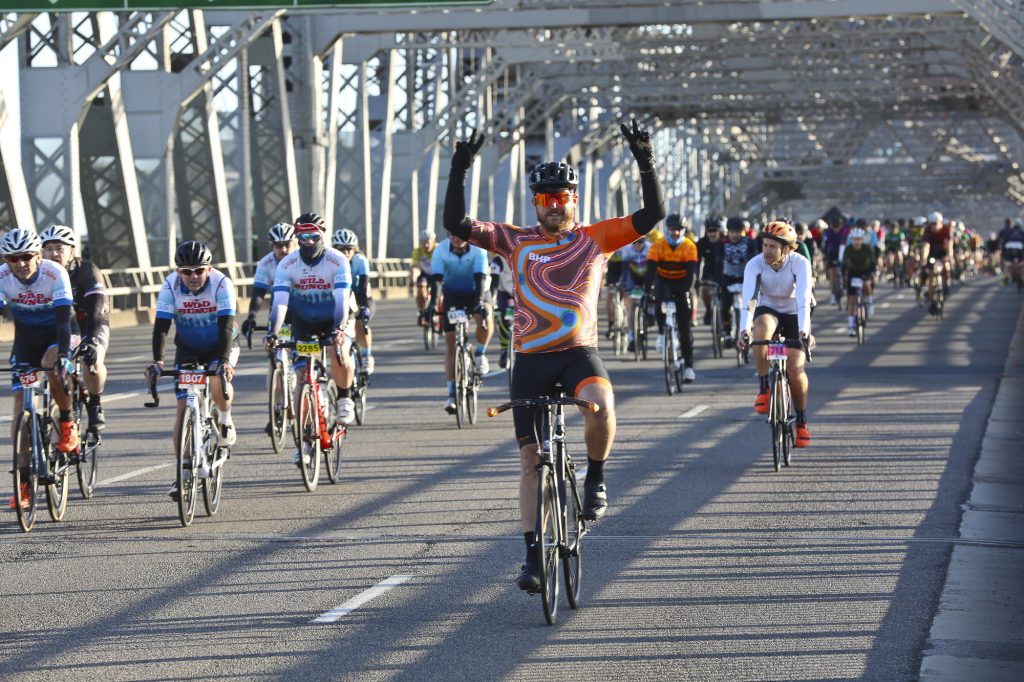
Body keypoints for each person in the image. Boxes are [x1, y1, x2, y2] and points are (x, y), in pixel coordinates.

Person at [442, 120, 666, 592]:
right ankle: (532, 560)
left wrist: (644, 162)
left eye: (561, 197)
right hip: (530, 361)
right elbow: (456, 224)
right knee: (530, 461)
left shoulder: (597, 238)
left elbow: (653, 213)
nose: (554, 205)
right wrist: (459, 170)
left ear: (574, 199)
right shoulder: (514, 240)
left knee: (601, 405)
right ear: (535, 204)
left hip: (578, 353)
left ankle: (596, 477)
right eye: (546, 199)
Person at [149, 241, 238, 499]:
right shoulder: (170, 286)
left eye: (199, 270)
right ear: (178, 272)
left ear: (208, 269)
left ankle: (224, 418)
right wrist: (158, 361)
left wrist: (222, 361)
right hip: (187, 348)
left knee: (217, 380)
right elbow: (162, 327)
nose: (193, 277)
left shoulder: (222, 284)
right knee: (182, 408)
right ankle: (184, 470)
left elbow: (226, 327)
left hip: (221, 344)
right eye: (186, 272)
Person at [265, 213, 354, 465]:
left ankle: (345, 395)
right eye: (302, 236)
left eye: (313, 236)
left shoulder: (337, 261)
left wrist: (338, 329)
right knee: (302, 379)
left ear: (321, 236)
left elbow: (341, 300)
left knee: (341, 349)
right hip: (303, 323)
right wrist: (273, 332)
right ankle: (304, 441)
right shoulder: (287, 265)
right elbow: (280, 303)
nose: (307, 241)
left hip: (331, 318)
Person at [1, 229, 77, 509]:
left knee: (50, 366)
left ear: (36, 255)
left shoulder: (54, 273)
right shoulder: (2, 276)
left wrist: (65, 355)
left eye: (26, 256)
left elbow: (63, 320)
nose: (20, 263)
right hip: (25, 340)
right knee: (21, 408)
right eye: (13, 258)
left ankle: (67, 421)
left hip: (57, 333)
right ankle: (23, 485)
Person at [736, 221, 816, 447]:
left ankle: (801, 422)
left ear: (787, 249)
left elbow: (802, 300)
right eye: (765, 245)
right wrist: (744, 330)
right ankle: (764, 388)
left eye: (773, 247)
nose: (767, 251)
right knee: (761, 329)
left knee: (794, 368)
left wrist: (804, 332)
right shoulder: (755, 264)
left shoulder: (800, 264)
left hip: (795, 311)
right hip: (768, 307)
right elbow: (749, 301)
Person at [39, 225, 109, 433]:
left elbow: (96, 308)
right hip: (63, 325)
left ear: (72, 251)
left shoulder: (87, 271)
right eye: (49, 248)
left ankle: (95, 402)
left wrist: (93, 341)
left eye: (59, 248)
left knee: (92, 361)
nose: (53, 253)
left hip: (90, 321)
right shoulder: (41, 272)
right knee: (54, 364)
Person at [425, 232, 493, 413]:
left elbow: (480, 278)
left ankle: (480, 354)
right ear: (447, 235)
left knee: (485, 314)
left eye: (460, 233)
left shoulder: (477, 249)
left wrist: (478, 304)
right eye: (453, 234)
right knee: (450, 345)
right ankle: (451, 395)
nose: (457, 237)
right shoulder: (440, 250)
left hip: (476, 291)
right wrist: (432, 305)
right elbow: (437, 280)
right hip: (453, 295)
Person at [645, 214, 698, 382]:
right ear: (667, 230)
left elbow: (692, 274)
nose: (675, 233)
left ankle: (689, 366)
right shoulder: (658, 245)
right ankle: (662, 331)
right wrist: (648, 291)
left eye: (679, 230)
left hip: (682, 281)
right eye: (673, 230)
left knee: (684, 328)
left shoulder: (689, 246)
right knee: (659, 299)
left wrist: (686, 291)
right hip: (664, 281)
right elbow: (651, 271)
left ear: (683, 231)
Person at [242, 223, 296, 340]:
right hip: (279, 310)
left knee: (304, 350)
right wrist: (251, 316)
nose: (284, 250)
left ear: (295, 243)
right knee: (278, 344)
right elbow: (258, 292)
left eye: (287, 244)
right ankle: (279, 356)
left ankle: (308, 357)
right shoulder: (266, 263)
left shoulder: (302, 260)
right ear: (272, 246)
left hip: (302, 309)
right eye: (279, 246)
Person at [333, 228, 375, 375]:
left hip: (360, 297)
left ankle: (367, 355)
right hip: (342, 297)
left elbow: (363, 286)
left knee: (360, 322)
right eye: (341, 249)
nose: (345, 253)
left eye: (349, 249)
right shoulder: (331, 261)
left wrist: (363, 307)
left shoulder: (360, 260)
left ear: (354, 249)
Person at [720, 217, 758, 346]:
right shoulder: (722, 243)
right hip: (728, 277)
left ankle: (749, 326)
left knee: (750, 303)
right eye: (732, 232)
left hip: (745, 277)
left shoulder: (748, 243)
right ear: (728, 232)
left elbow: (754, 260)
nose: (735, 235)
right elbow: (717, 262)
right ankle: (727, 329)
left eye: (738, 232)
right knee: (725, 305)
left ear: (742, 232)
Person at [617, 236, 651, 351]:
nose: (637, 244)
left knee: (651, 295)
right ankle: (632, 336)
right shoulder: (626, 250)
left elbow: (653, 269)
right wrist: (623, 284)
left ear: (644, 242)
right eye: (635, 242)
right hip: (632, 277)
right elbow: (625, 271)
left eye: (640, 242)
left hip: (646, 276)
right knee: (631, 305)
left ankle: (649, 313)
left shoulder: (650, 248)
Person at [842, 228, 877, 333]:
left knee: (867, 284)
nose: (856, 242)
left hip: (865, 271)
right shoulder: (848, 249)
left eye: (859, 239)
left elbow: (872, 263)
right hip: (853, 273)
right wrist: (844, 275)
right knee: (852, 300)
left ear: (862, 240)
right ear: (852, 240)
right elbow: (844, 264)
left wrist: (872, 273)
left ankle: (869, 302)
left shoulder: (867, 249)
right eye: (854, 239)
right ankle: (851, 325)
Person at [697, 216, 725, 327]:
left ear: (719, 231)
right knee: (704, 290)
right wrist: (696, 279)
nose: (712, 233)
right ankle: (709, 309)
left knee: (724, 296)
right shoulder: (701, 243)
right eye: (710, 231)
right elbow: (696, 262)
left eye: (715, 231)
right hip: (708, 270)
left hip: (723, 270)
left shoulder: (725, 242)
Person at [490, 254, 516, 369]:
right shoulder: (498, 260)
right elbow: (494, 281)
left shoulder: (523, 252)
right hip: (504, 293)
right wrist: (492, 300)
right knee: (506, 316)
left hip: (521, 292)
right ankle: (505, 350)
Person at [920, 211, 952, 295]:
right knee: (931, 273)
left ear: (940, 222)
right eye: (931, 224)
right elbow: (926, 246)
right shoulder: (927, 230)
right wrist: (924, 258)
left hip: (943, 251)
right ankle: (931, 295)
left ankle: (947, 282)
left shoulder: (946, 229)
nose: (933, 226)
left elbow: (949, 245)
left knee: (947, 266)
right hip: (932, 253)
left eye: (935, 223)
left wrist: (949, 256)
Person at [410, 230, 438, 324]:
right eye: (423, 242)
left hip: (437, 274)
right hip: (425, 274)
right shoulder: (417, 251)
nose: (426, 245)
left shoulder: (438, 249)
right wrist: (411, 283)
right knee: (421, 287)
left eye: (428, 242)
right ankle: (421, 311)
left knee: (441, 291)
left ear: (433, 242)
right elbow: (414, 268)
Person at [1000, 221, 1024, 287]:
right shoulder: (1022, 232)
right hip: (1019, 248)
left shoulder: (1009, 232)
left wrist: (1003, 253)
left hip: (1009, 248)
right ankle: (1021, 277)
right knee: (1021, 263)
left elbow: (1004, 241)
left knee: (1008, 264)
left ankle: (1005, 280)